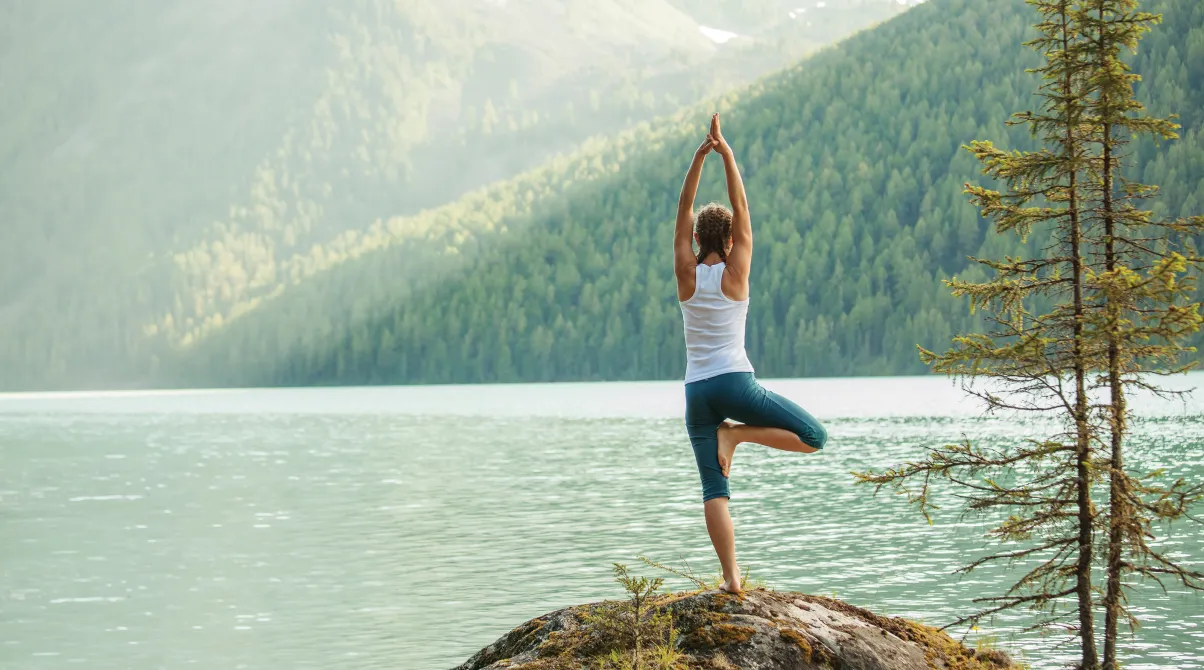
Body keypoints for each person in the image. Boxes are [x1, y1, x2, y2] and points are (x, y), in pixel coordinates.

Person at [674, 113, 828, 594]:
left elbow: (683, 208)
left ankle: (731, 578)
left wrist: (698, 158)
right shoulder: (735, 273)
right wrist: (727, 154)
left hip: (696, 392)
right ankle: (737, 436)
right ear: (731, 239)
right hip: (735, 383)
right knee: (814, 436)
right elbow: (741, 206)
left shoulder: (686, 274)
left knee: (713, 489)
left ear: (696, 240)